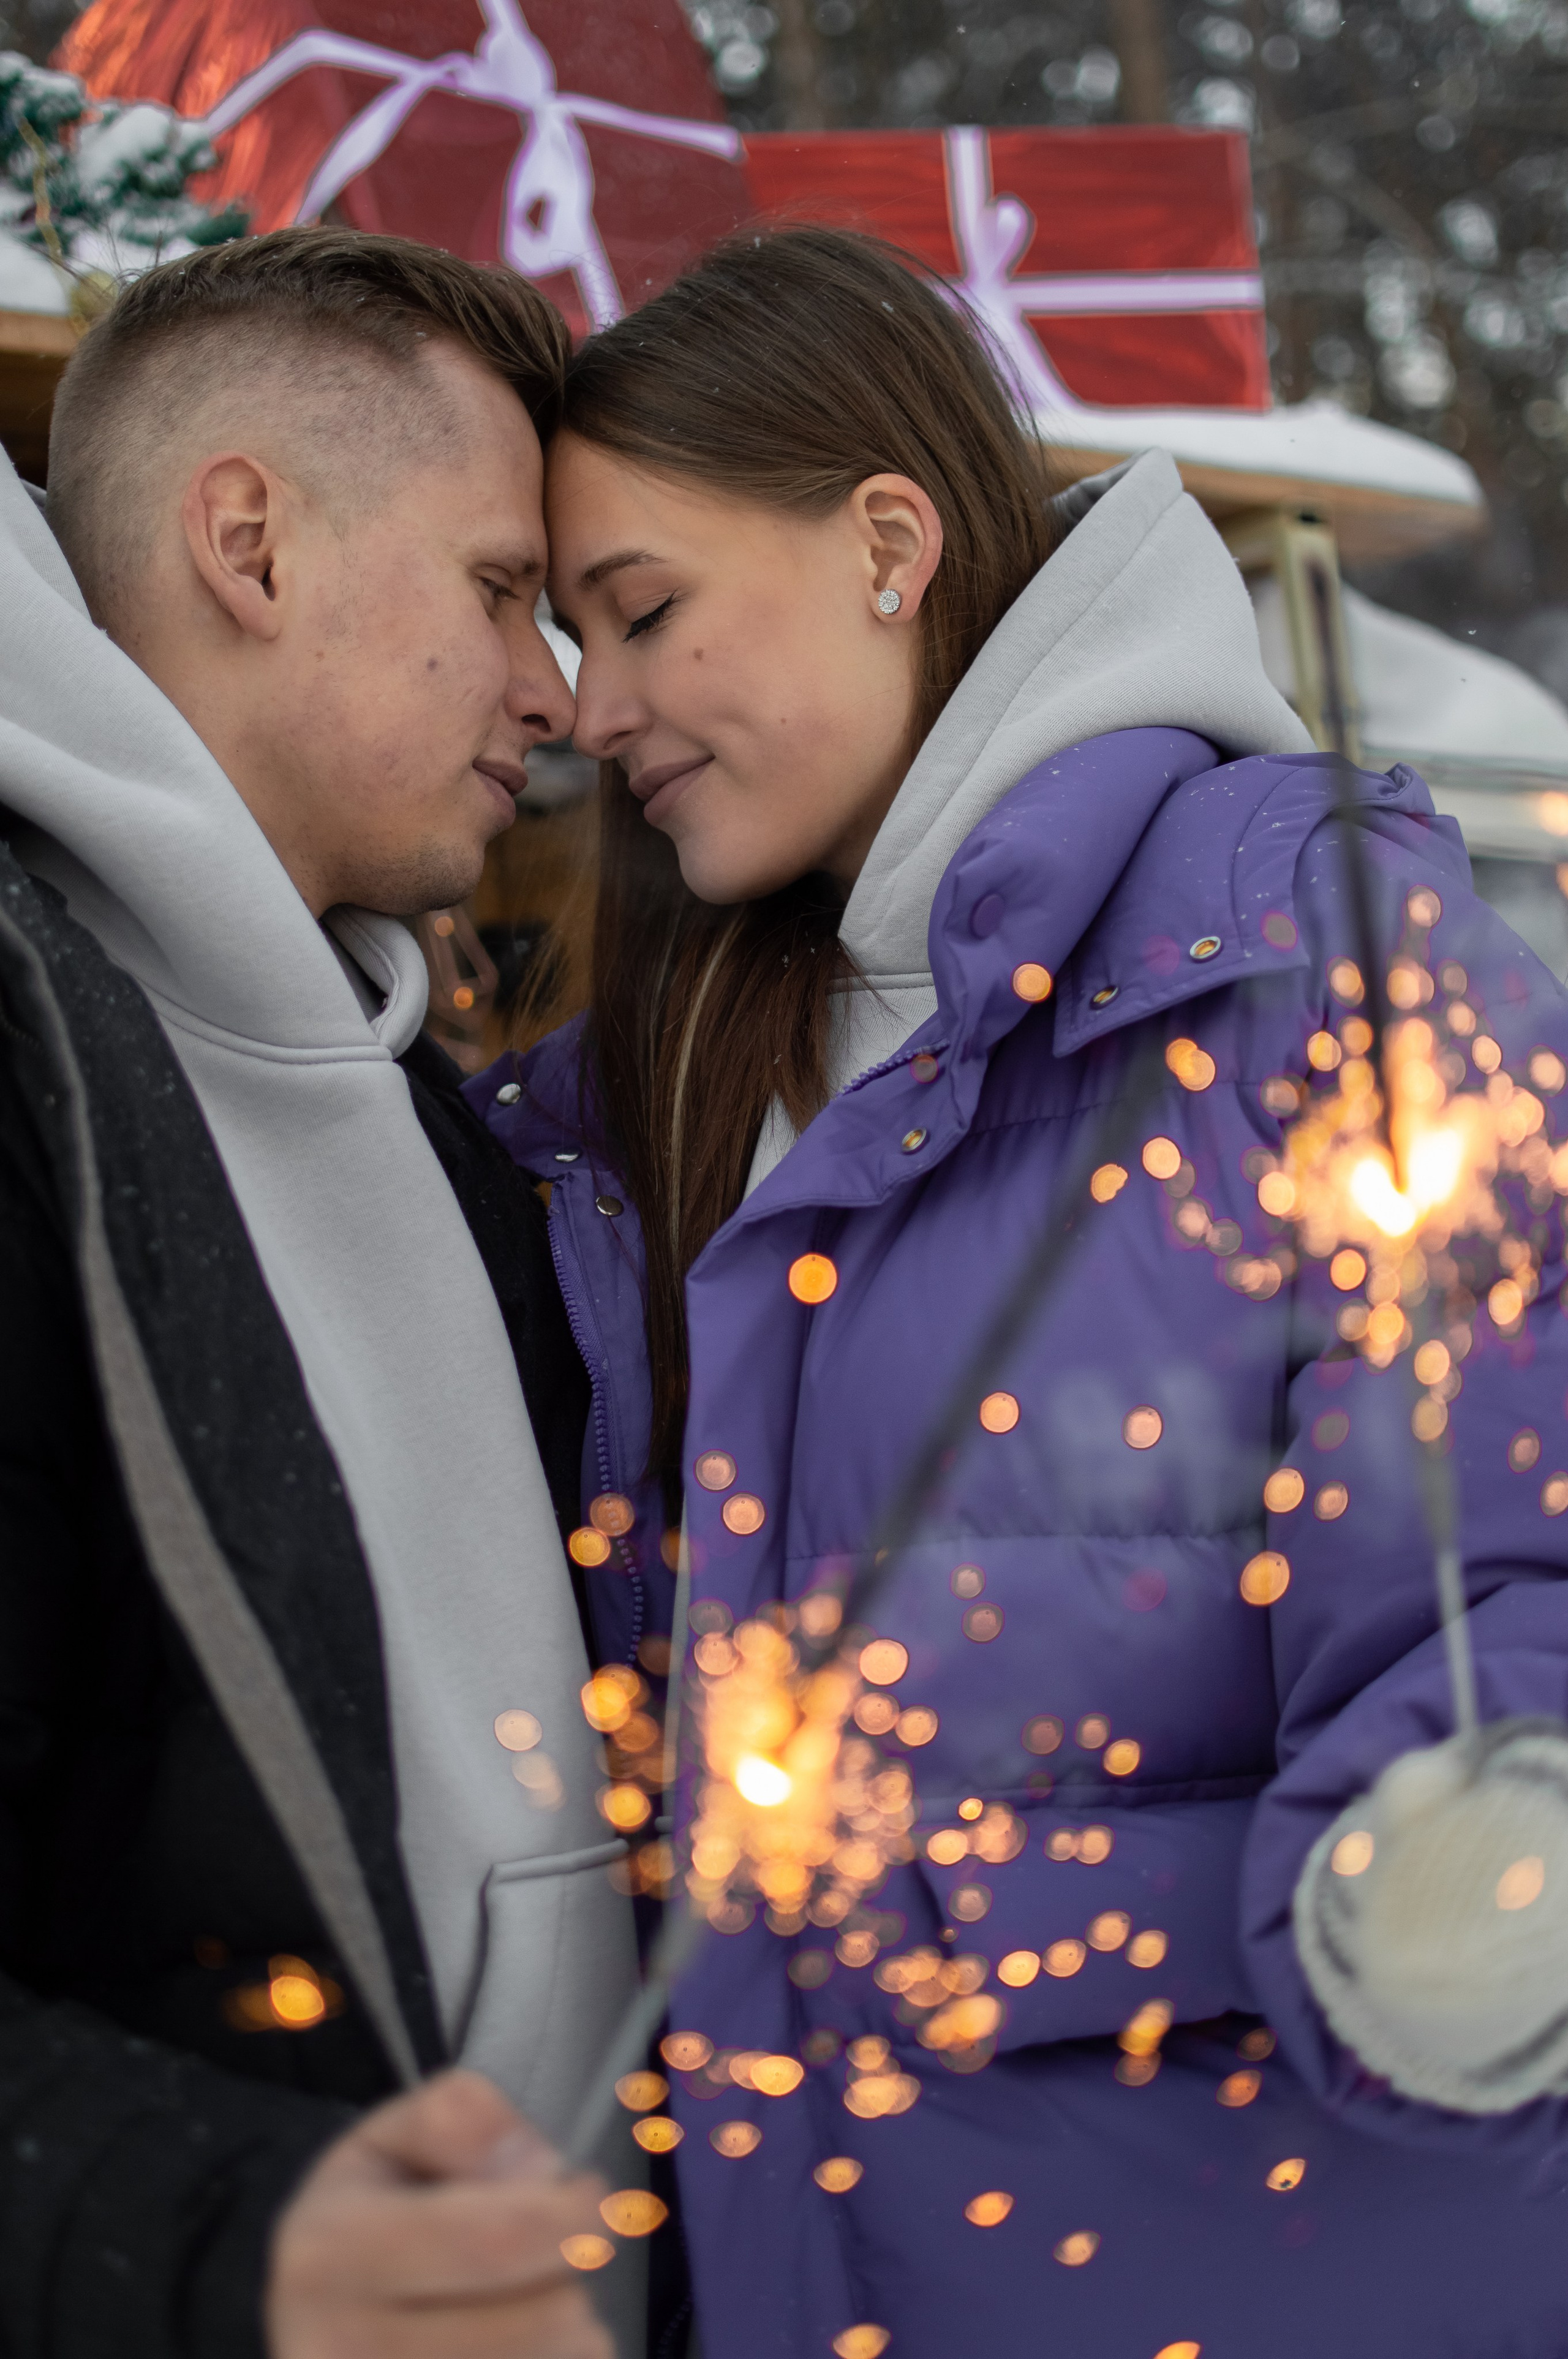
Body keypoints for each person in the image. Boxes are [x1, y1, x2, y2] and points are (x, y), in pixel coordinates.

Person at [473, 225, 1568, 2358]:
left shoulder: (1309, 963)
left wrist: (1431, 1883)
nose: (590, 713)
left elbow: (1512, 1543)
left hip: (1255, 2257)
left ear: (890, 539)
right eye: (562, 636)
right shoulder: (654, 1074)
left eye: (645, 612)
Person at [0, 227, 650, 2359]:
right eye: (497, 591)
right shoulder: (31, 1081)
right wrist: (239, 2240)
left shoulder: (448, 1132)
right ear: (251, 542)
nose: (558, 694)